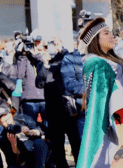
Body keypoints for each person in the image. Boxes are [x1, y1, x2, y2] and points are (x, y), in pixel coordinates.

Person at [77, 17, 123, 168]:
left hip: (121, 124)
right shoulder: (96, 63)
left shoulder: (109, 61)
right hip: (114, 126)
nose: (112, 36)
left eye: (111, 33)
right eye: (106, 33)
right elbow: (109, 101)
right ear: (95, 40)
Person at [36, 37, 74, 168]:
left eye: (56, 44)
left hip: (67, 109)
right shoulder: (44, 63)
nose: (54, 48)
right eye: (50, 45)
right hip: (52, 111)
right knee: (58, 147)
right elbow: (39, 83)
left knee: (76, 143)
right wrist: (46, 64)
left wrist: (62, 52)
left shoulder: (67, 58)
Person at [60, 37, 85, 143]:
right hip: (83, 106)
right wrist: (89, 90)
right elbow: (69, 83)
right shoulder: (70, 58)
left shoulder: (105, 57)